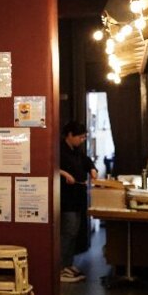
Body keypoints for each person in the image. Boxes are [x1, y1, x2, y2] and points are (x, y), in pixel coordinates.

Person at [59, 121, 97, 283]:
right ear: (70, 135)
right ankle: (60, 268)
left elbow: (87, 161)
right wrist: (64, 174)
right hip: (67, 197)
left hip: (78, 196)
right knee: (68, 232)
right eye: (80, 137)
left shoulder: (77, 150)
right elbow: (50, 167)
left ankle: (68, 264)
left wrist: (92, 169)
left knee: (74, 232)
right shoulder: (59, 149)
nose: (82, 140)